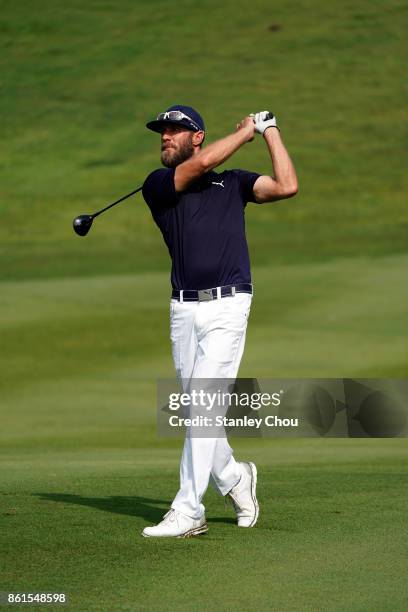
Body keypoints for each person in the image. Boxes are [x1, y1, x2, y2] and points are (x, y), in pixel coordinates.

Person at [141, 105, 298, 538]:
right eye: (162, 132)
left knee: (204, 407)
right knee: (198, 411)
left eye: (175, 131)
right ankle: (233, 476)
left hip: (229, 305)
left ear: (197, 135)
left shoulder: (234, 183)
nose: (165, 137)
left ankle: (189, 510)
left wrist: (269, 131)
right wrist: (245, 132)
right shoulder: (158, 185)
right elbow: (206, 162)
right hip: (183, 310)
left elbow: (287, 185)